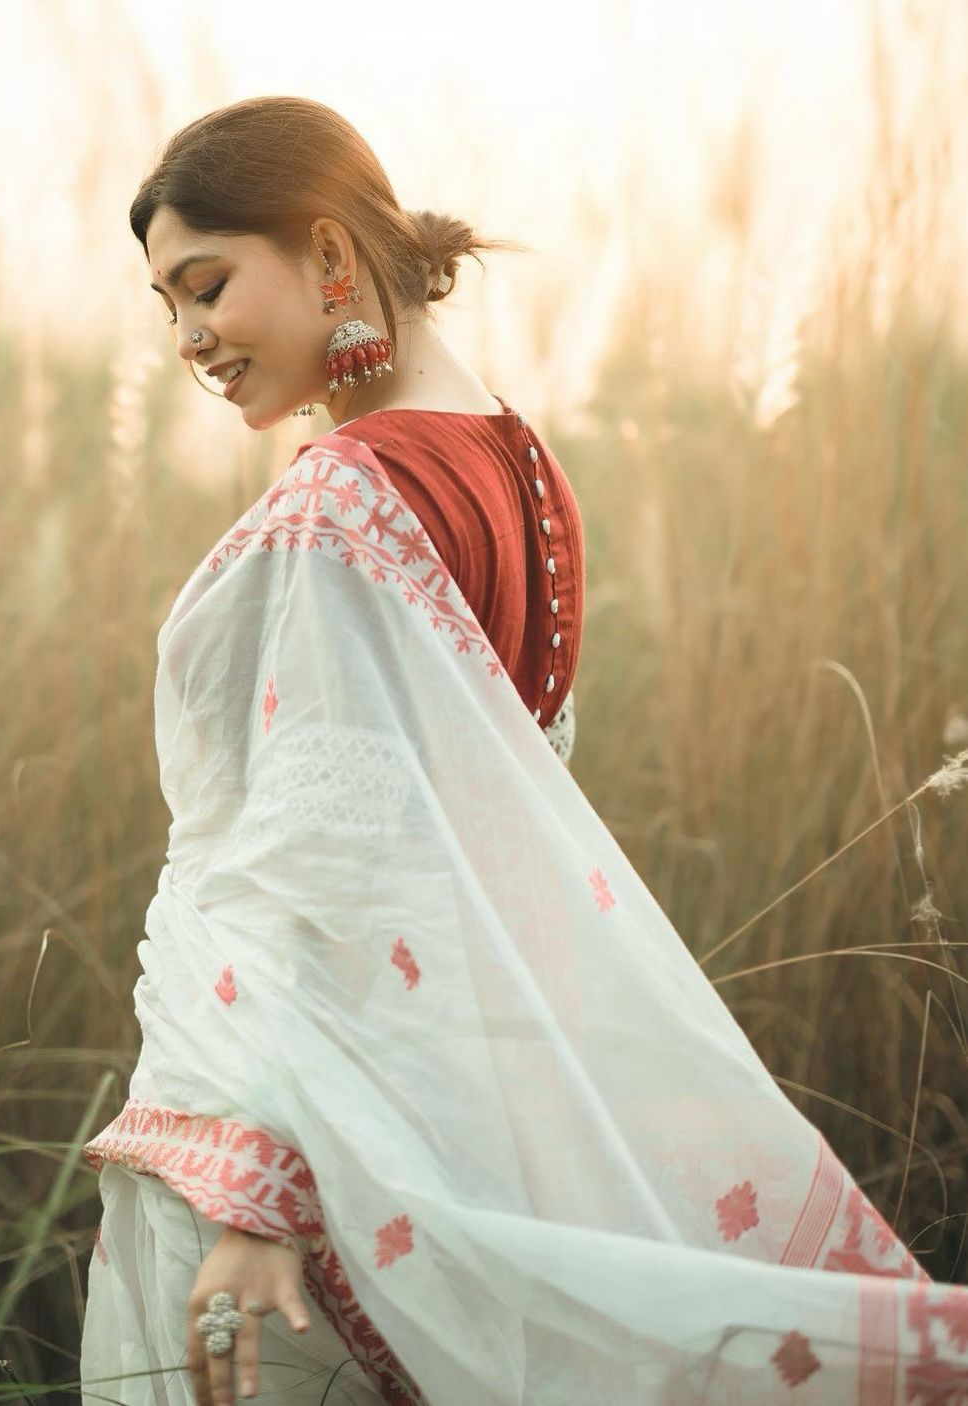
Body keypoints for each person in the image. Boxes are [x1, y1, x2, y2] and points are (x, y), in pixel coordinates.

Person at [79, 97, 968, 1406]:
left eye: (205, 285)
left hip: (313, 1162)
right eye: (165, 307)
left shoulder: (341, 501)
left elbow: (312, 877)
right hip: (467, 1109)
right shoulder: (523, 471)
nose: (187, 338)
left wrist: (253, 1195)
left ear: (330, 256)